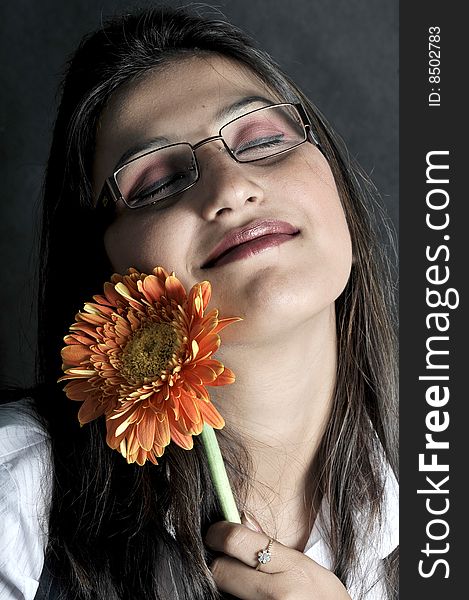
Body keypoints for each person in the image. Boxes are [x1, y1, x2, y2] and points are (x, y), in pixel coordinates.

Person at [0, 5, 398, 599]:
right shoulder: (16, 496)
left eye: (263, 140)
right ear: (104, 265)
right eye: (157, 183)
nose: (231, 186)